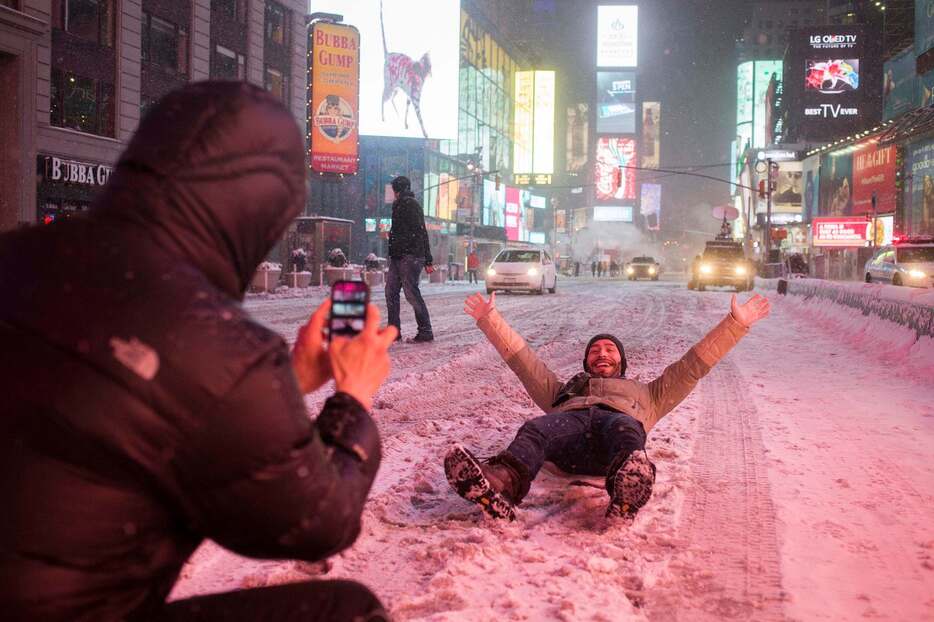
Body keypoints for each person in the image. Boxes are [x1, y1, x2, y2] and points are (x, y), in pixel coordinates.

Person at [0, 82, 396, 621]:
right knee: (346, 612)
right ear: (256, 213)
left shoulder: (17, 254)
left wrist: (293, 379)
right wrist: (352, 396)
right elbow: (315, 521)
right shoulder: (221, 348)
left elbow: (146, 409)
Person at [444, 290, 770, 521]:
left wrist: (735, 325)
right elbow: (523, 361)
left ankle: (627, 488)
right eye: (595, 350)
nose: (602, 353)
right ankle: (500, 483)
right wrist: (490, 320)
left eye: (610, 349)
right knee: (536, 429)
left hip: (614, 448)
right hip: (567, 442)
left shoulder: (649, 395)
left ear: (621, 362)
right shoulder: (563, 393)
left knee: (625, 427)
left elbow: (692, 365)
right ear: (586, 361)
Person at [386, 175, 434, 343]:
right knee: (391, 292)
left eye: (394, 190)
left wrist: (427, 259)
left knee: (411, 293)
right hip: (399, 255)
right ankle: (393, 331)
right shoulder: (399, 205)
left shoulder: (410, 205)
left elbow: (420, 231)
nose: (394, 193)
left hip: (410, 255)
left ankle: (425, 330)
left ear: (398, 190)